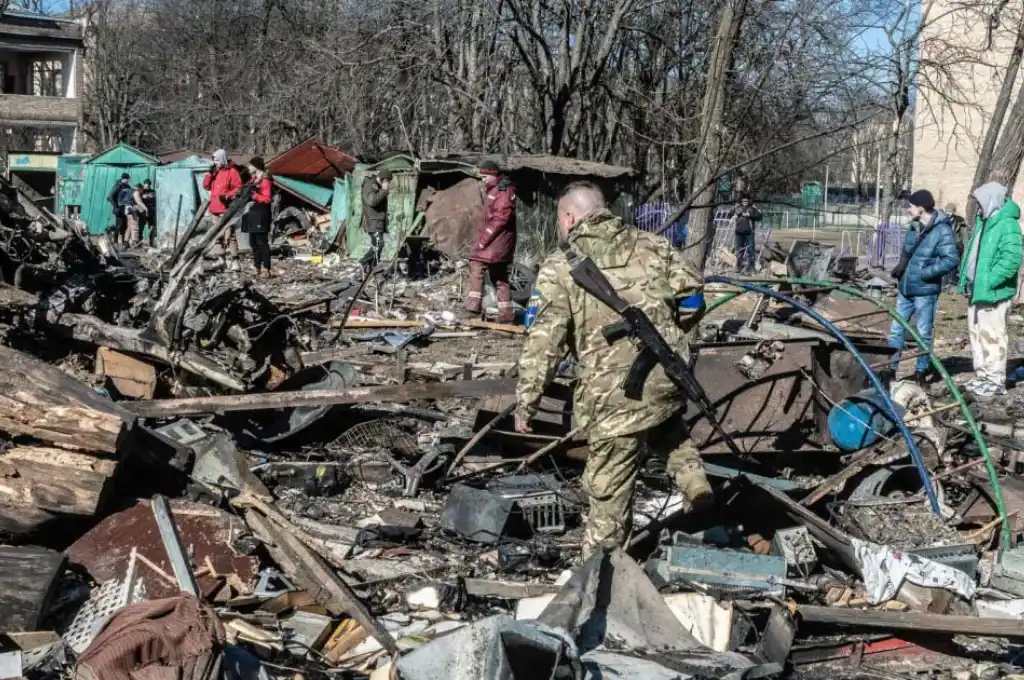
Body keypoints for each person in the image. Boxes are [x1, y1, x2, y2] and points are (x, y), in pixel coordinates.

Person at [515, 182, 712, 559]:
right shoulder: (654, 245)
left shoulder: (560, 266)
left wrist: (528, 402)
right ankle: (692, 477)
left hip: (612, 395)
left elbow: (544, 344)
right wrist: (668, 330)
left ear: (569, 218)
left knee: (608, 493)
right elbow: (693, 301)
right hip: (666, 375)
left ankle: (601, 571)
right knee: (663, 423)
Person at [885, 190, 958, 386]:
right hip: (905, 289)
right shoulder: (913, 227)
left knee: (923, 334)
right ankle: (889, 371)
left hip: (925, 292)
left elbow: (951, 259)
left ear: (921, 208)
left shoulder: (942, 230)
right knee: (896, 331)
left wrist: (925, 274)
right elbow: (906, 254)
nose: (908, 210)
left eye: (910, 206)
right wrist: (900, 272)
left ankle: (920, 372)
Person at [959, 182, 1023, 398]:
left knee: (993, 336)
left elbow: (1012, 258)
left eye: (979, 202)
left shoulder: (1007, 224)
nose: (977, 207)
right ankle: (983, 375)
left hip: (993, 293)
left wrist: (989, 281)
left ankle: (995, 379)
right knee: (977, 335)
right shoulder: (985, 222)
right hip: (977, 291)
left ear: (990, 200)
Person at [464, 160, 517, 323]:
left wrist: (483, 241)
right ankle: (506, 314)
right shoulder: (497, 188)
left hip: (497, 241)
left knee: (476, 263)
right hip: (502, 241)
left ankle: (473, 307)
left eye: (485, 176)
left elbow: (500, 219)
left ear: (493, 175)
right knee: (499, 276)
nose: (483, 180)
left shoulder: (502, 191)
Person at [203, 149, 243, 258]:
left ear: (222, 159)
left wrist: (228, 195)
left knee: (229, 234)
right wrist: (209, 174)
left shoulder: (232, 171)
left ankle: (234, 257)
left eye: (217, 160)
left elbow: (239, 188)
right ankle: (220, 258)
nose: (215, 162)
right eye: (214, 160)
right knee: (216, 235)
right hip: (214, 209)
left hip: (225, 208)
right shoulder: (215, 172)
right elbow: (205, 186)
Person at [240, 157, 274, 278]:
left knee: (262, 242)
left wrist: (254, 195)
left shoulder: (265, 181)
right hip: (252, 214)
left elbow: (267, 199)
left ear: (256, 167)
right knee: (253, 242)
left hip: (261, 213)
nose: (249, 168)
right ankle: (257, 266)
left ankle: (266, 267)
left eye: (250, 165)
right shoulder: (253, 180)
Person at [360, 169, 391, 274]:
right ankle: (363, 262)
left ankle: (371, 269)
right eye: (387, 181)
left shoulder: (376, 185)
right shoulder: (371, 185)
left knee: (377, 246)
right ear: (384, 180)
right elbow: (372, 201)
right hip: (373, 221)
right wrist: (384, 190)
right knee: (379, 244)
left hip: (377, 221)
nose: (388, 184)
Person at [731, 196, 761, 273]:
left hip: (749, 232)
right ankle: (738, 266)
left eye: (746, 201)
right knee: (739, 250)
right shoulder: (737, 207)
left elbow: (759, 217)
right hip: (739, 232)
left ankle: (751, 267)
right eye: (743, 201)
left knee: (751, 249)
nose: (745, 202)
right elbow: (730, 214)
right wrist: (734, 213)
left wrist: (749, 215)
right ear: (741, 201)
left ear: (749, 201)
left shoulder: (752, 208)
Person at [108, 173, 135, 246]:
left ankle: (124, 241)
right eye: (128, 179)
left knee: (125, 226)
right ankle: (115, 241)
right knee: (118, 225)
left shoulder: (128, 186)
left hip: (126, 209)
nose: (128, 180)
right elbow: (110, 196)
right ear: (124, 178)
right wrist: (116, 207)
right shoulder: (118, 186)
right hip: (119, 209)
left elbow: (129, 197)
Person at [133, 181, 156, 247]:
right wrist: (144, 196)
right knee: (141, 228)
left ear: (150, 185)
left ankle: (151, 243)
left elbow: (153, 196)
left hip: (151, 212)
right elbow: (139, 199)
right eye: (145, 185)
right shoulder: (141, 191)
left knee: (151, 227)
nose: (146, 186)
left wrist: (148, 196)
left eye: (148, 185)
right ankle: (139, 242)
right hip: (143, 212)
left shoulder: (152, 191)